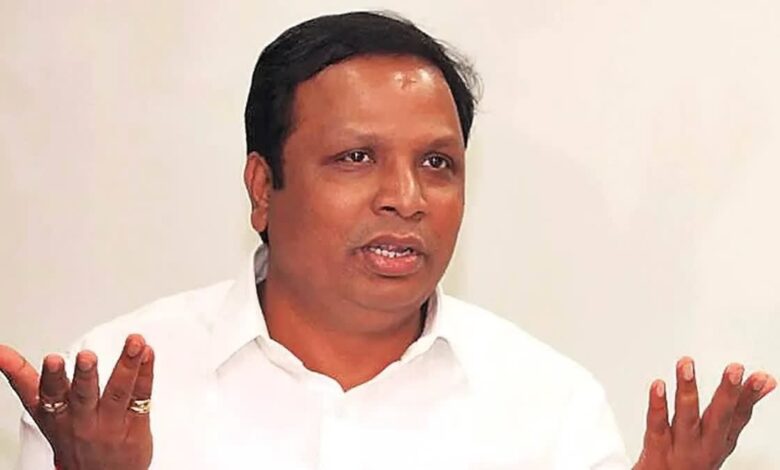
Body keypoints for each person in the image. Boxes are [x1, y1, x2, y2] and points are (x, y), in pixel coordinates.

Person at [1, 11, 776, 470]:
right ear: (263, 187)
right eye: (356, 158)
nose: (405, 198)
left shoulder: (548, 406)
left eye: (437, 164)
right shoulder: (112, 396)